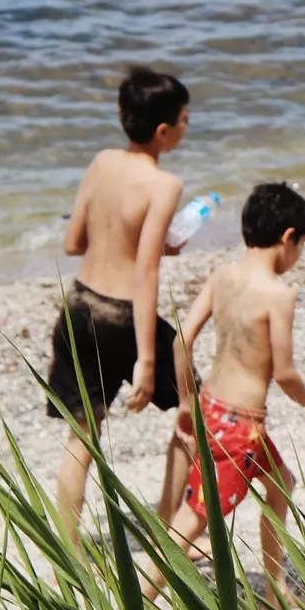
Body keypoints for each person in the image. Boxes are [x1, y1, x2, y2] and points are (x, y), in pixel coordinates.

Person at [144, 180, 305, 609]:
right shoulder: (278, 295)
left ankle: (274, 592)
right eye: (302, 245)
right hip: (240, 429)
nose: (298, 255)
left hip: (211, 408)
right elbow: (286, 373)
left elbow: (181, 340)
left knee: (281, 483)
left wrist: (185, 401)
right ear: (289, 238)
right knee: (195, 519)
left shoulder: (223, 276)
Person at [47, 66, 195, 542]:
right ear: (163, 131)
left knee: (81, 441)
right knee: (198, 413)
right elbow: (146, 270)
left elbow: (74, 242)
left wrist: (123, 237)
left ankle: (69, 557)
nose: (187, 127)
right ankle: (171, 529)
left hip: (79, 308)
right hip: (122, 319)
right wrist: (148, 363)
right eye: (185, 119)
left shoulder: (102, 162)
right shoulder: (164, 186)